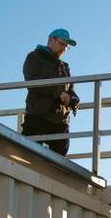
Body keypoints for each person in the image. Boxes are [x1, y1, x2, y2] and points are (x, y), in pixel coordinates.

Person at [22, 28, 80, 156]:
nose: (64, 48)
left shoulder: (64, 66)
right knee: (29, 157)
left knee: (60, 163)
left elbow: (71, 90)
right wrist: (58, 92)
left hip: (60, 121)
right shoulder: (35, 57)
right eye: (62, 43)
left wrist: (73, 101)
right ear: (51, 40)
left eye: (66, 46)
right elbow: (32, 81)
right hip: (38, 116)